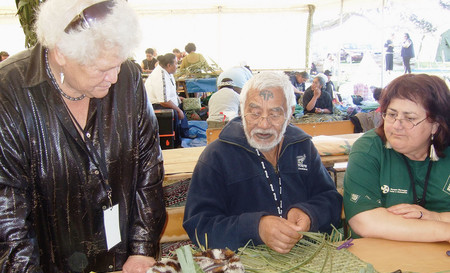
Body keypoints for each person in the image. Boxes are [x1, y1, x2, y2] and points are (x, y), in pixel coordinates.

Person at [0, 1, 166, 273]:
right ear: (60, 51)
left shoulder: (129, 78)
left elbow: (149, 168)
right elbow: (5, 210)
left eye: (118, 62)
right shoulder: (10, 92)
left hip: (119, 265)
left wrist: (142, 249)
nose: (115, 76)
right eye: (102, 68)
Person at [183, 72, 342, 253]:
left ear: (290, 113)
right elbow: (199, 225)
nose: (264, 124)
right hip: (244, 269)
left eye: (275, 114)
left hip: (306, 259)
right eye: (255, 113)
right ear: (242, 111)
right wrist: (255, 228)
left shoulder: (302, 147)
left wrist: (310, 214)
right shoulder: (217, 156)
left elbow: (331, 200)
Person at [344, 74, 450, 242]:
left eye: (410, 118)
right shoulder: (369, 149)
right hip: (383, 258)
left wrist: (435, 218)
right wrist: (444, 230)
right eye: (392, 114)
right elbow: (364, 221)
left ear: (436, 125)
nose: (396, 126)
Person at [145, 53, 189, 147]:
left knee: (181, 106)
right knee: (177, 112)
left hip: (163, 102)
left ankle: (184, 133)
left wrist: (177, 98)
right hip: (157, 106)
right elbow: (164, 101)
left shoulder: (167, 72)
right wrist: (178, 110)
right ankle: (177, 144)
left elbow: (168, 92)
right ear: (169, 65)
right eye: (176, 64)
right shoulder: (160, 75)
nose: (177, 66)